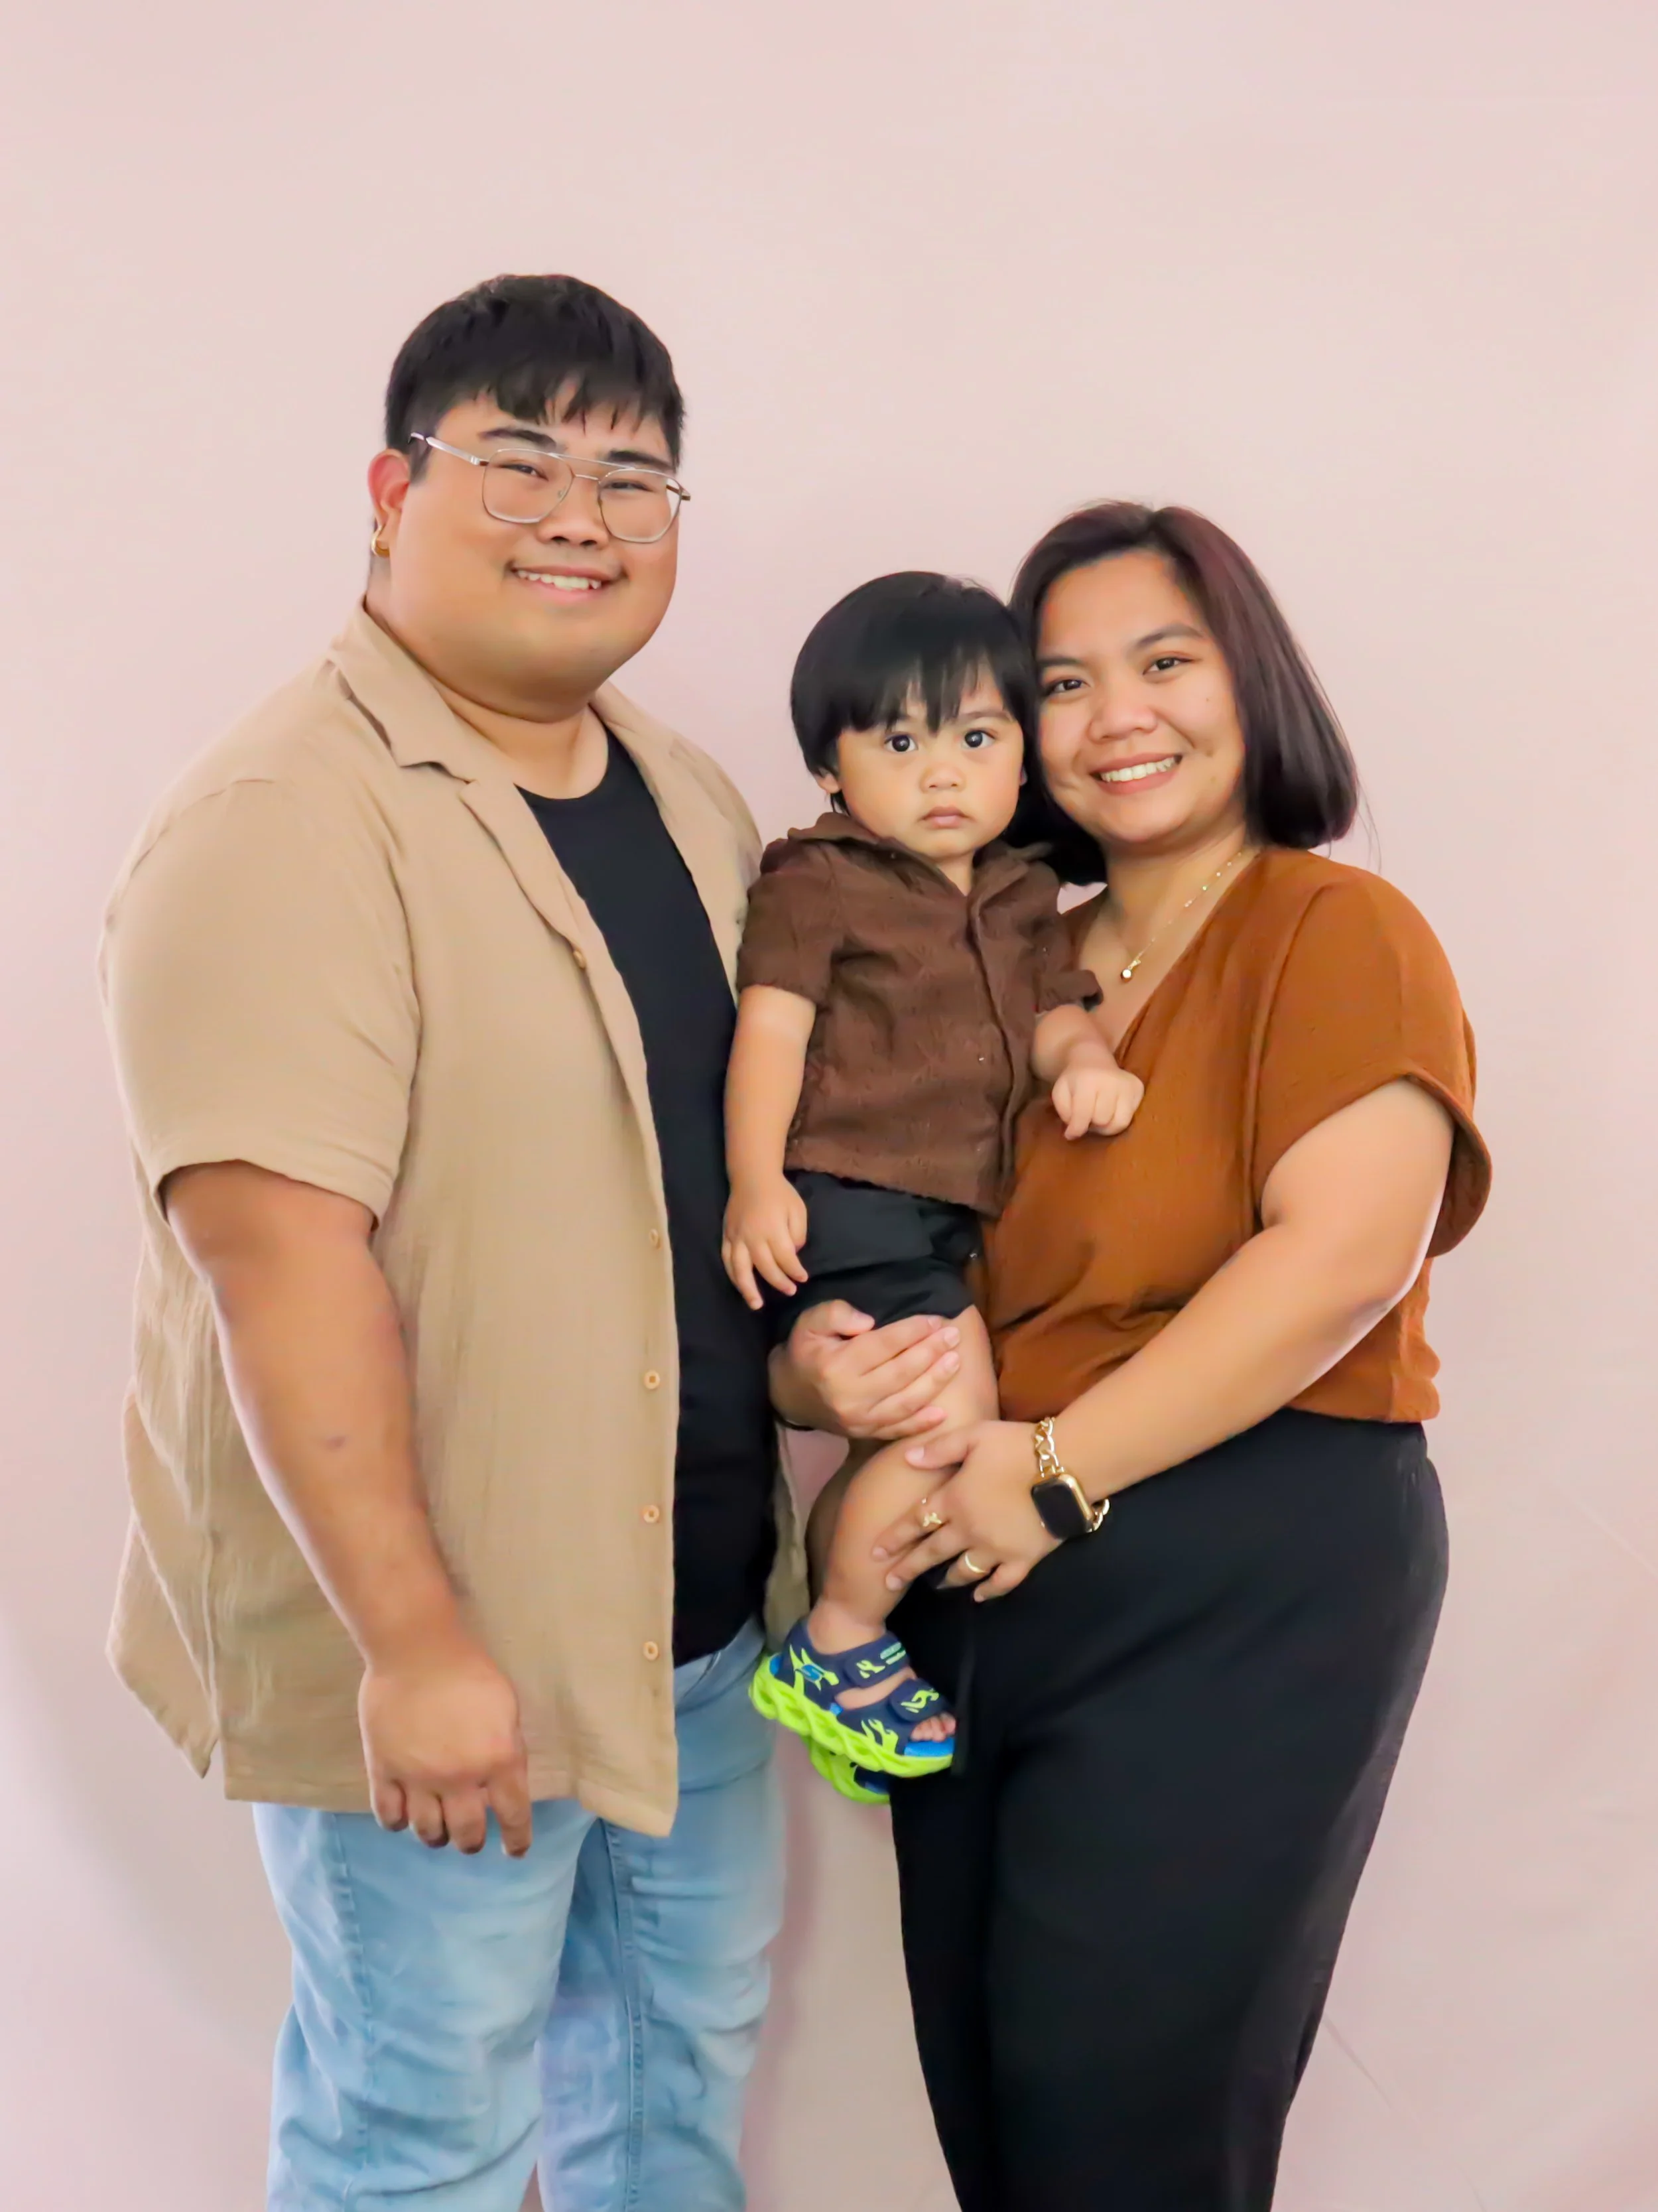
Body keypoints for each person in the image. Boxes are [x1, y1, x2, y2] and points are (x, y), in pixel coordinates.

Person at [99, 275, 796, 2212]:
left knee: (672, 2088)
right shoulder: (283, 817)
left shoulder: (682, 793)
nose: (583, 511)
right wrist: (413, 1642)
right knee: (424, 2135)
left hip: (698, 1630)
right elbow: (278, 1258)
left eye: (633, 473)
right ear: (392, 490)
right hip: (451, 1648)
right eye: (521, 456)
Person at [777, 501, 1492, 2211]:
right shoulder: (1008, 954)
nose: (1115, 717)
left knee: (1126, 2131)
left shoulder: (1332, 925)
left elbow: (1337, 1260)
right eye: (1062, 682)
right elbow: (879, 1240)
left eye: (1164, 663)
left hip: (1235, 1565)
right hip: (974, 1575)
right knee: (996, 2107)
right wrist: (819, 1369)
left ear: (1249, 681)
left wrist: (1053, 1465)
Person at [723, 572, 1141, 1792]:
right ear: (831, 770)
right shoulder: (819, 880)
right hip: (845, 1191)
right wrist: (756, 1181)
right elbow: (773, 1033)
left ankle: (849, 1638)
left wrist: (1091, 1065)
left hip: (945, 1216)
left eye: (974, 737)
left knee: (920, 1425)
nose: (942, 772)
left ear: (1023, 752)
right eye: (900, 742)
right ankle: (839, 1639)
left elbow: (1059, 1015)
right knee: (951, 1420)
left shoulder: (1022, 895)